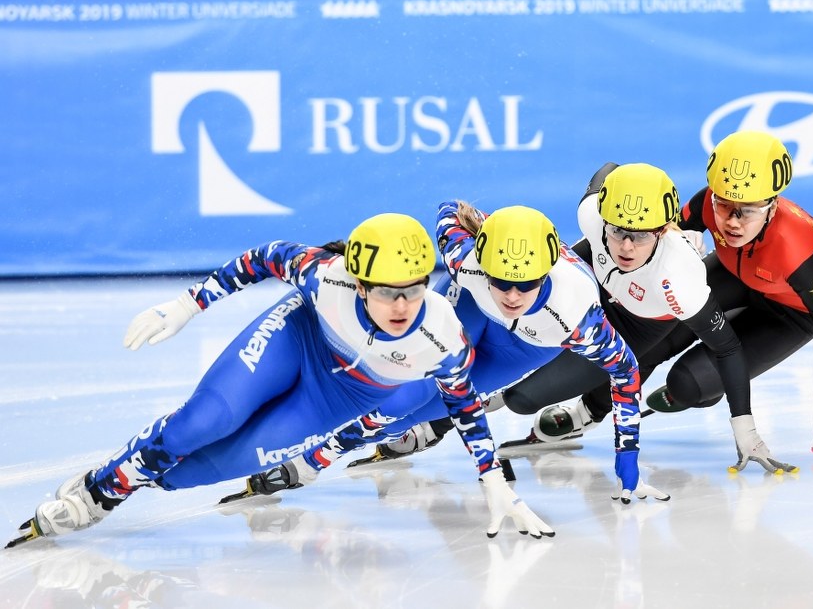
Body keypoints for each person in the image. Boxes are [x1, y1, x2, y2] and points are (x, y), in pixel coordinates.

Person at [7, 213, 552, 548]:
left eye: (413, 290)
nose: (402, 305)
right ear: (360, 285)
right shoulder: (326, 278)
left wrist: (492, 481)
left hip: (341, 397)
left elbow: (466, 408)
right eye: (387, 292)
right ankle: (101, 489)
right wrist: (187, 306)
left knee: (200, 471)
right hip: (298, 340)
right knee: (205, 421)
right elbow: (261, 259)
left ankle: (142, 473)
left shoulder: (442, 335)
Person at [230, 202, 669, 504]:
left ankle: (317, 459)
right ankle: (309, 450)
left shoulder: (576, 316)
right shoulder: (466, 258)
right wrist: (479, 219)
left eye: (526, 285)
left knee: (408, 414)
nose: (511, 296)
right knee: (403, 393)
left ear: (546, 275)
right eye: (502, 281)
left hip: (524, 346)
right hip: (471, 308)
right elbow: (448, 210)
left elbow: (626, 374)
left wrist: (627, 458)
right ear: (483, 263)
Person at [465, 162, 795, 474]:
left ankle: (586, 412)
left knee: (521, 399)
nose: (626, 246)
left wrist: (746, 430)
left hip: (633, 325)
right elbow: (609, 168)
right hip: (589, 284)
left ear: (663, 231)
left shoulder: (679, 277)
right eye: (618, 230)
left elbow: (727, 347)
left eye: (641, 235)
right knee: (496, 340)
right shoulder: (592, 214)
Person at [642, 130, 813, 460]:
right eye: (725, 205)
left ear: (772, 207)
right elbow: (667, 230)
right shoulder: (709, 201)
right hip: (736, 272)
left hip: (791, 314)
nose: (733, 222)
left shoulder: (797, 251)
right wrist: (676, 239)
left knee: (686, 383)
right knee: (656, 327)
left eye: (747, 210)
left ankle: (702, 388)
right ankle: (589, 408)